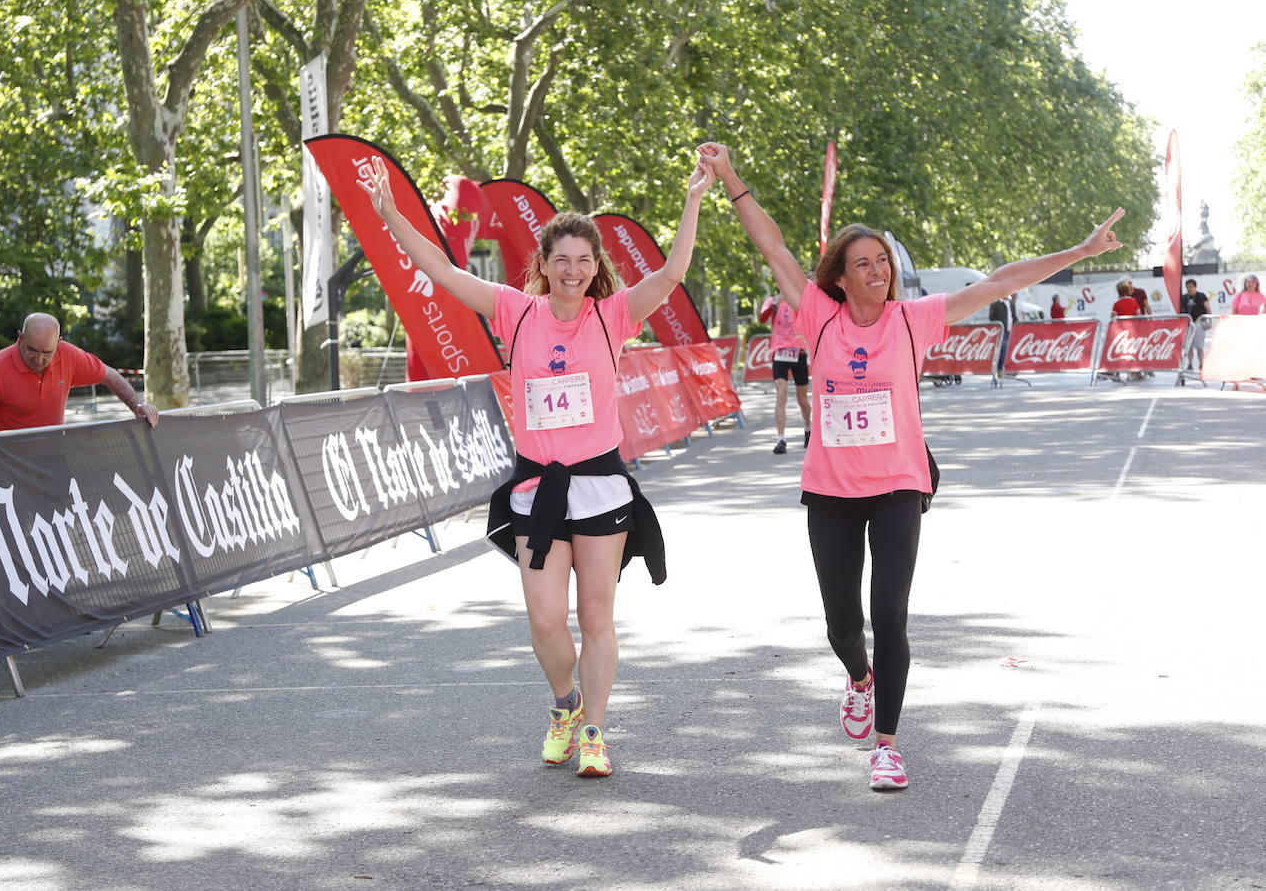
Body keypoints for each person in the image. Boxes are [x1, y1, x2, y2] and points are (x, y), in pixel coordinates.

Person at [698, 141, 1123, 792]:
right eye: (862, 263)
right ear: (839, 276)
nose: (876, 271)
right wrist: (728, 175)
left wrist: (1081, 252)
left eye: (882, 262)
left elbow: (1003, 279)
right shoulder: (817, 318)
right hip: (830, 492)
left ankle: (888, 745)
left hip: (898, 486)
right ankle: (858, 679)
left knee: (888, 612)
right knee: (843, 623)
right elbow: (775, 247)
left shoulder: (913, 319)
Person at [358, 153, 711, 778]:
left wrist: (692, 199)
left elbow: (673, 270)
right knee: (546, 620)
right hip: (536, 491)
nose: (573, 271)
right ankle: (565, 705)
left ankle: (596, 733)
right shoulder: (516, 312)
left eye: (584, 260)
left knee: (596, 617)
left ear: (595, 267)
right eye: (561, 260)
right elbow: (438, 268)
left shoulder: (614, 316)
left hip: (600, 488)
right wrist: (388, 210)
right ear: (543, 265)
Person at [0, 313, 159, 432]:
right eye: (32, 350)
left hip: (53, 456)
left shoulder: (68, 355)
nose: (39, 359)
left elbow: (109, 375)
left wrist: (136, 405)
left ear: (59, 343)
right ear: (20, 338)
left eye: (47, 352)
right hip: (5, 462)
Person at [758, 292, 811, 453]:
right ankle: (781, 439)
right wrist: (775, 303)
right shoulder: (772, 301)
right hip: (780, 352)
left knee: (802, 397)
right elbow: (761, 318)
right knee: (781, 394)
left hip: (798, 351)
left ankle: (808, 429)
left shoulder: (799, 299)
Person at [1180, 280, 1212, 371]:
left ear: (1195, 287)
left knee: (1199, 346)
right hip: (1188, 324)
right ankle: (1190, 364)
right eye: (1187, 287)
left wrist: (1210, 322)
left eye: (1191, 287)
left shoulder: (1201, 296)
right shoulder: (1184, 298)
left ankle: (1201, 363)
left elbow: (1208, 309)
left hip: (1199, 323)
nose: (1189, 289)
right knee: (1189, 345)